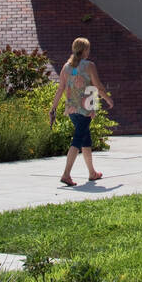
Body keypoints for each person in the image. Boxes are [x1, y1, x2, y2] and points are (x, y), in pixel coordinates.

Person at [48, 37, 115, 186]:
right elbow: (97, 86)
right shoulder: (89, 65)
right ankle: (66, 174)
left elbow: (60, 89)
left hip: (71, 110)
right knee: (78, 140)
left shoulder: (66, 67)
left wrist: (53, 108)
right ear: (85, 50)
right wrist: (108, 99)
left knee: (86, 140)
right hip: (85, 109)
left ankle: (92, 173)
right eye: (88, 49)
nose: (89, 51)